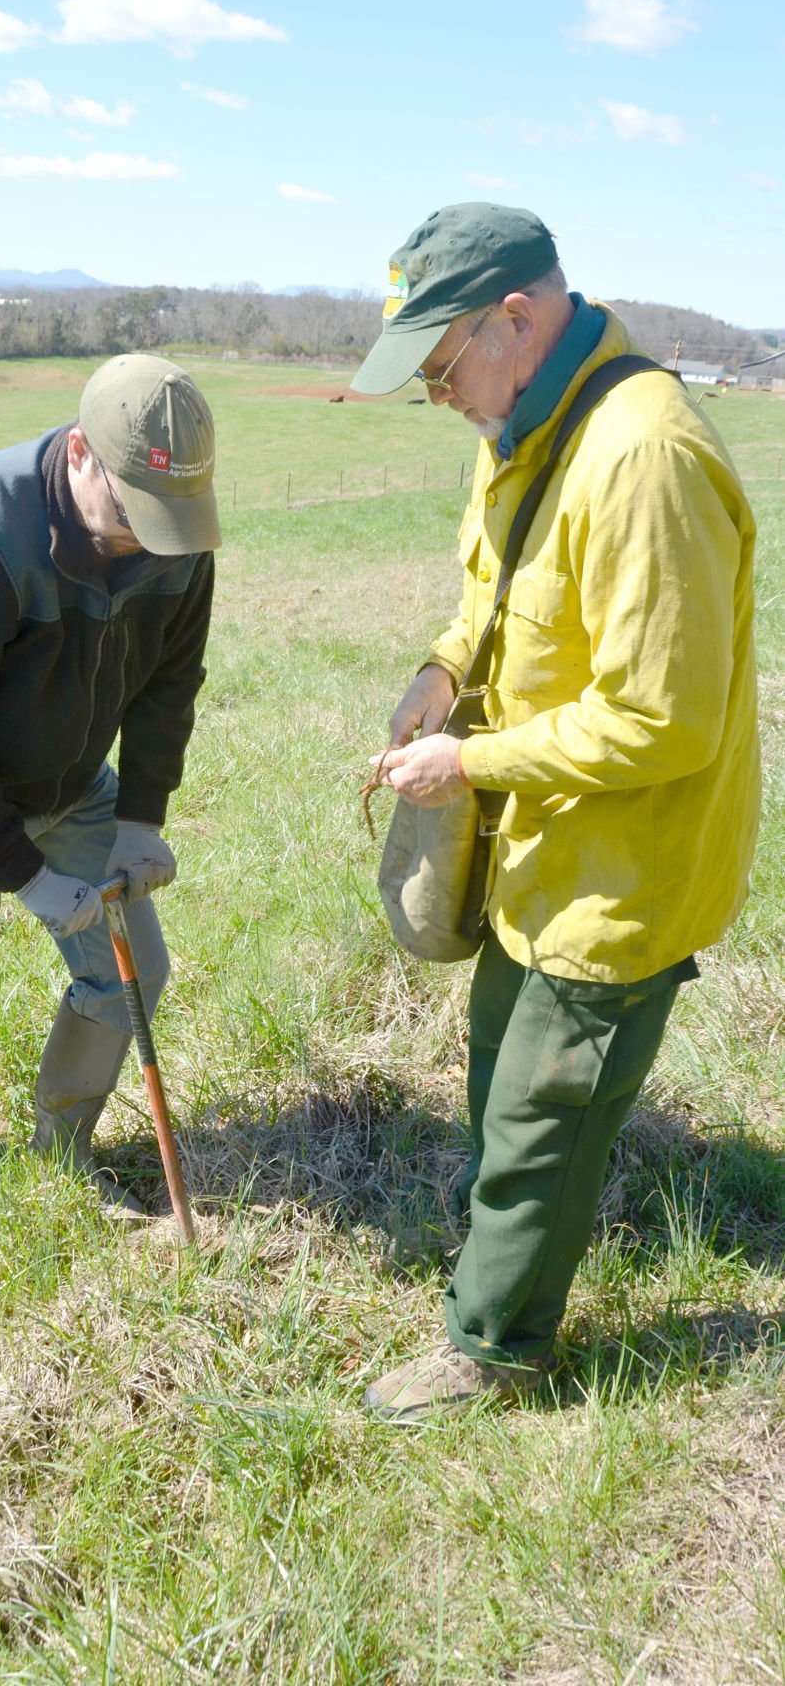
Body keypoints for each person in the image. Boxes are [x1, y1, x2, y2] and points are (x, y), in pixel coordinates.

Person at [351, 203, 759, 1423]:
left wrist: (473, 764)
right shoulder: (525, 424)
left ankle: (495, 1347)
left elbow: (662, 721)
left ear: (514, 320)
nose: (437, 395)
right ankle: (511, 1246)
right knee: (498, 1075)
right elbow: (496, 584)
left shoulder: (642, 457)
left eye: (438, 365)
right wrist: (440, 668)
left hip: (623, 870)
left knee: (541, 1111)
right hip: (543, 848)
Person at [0, 354, 220, 1217]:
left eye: (165, 517)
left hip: (73, 781)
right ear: (77, 454)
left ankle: (63, 1147)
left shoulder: (175, 540)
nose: (145, 536)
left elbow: (168, 687)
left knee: (132, 967)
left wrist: (139, 819)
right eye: (130, 512)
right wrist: (25, 874)